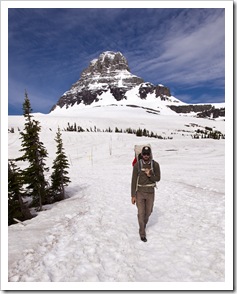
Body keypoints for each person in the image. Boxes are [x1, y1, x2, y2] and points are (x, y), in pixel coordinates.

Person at [131, 146, 161, 242]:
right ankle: (142, 232)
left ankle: (142, 224)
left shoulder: (155, 165)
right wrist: (133, 195)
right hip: (140, 192)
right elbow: (134, 180)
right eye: (144, 154)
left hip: (150, 193)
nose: (146, 156)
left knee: (148, 212)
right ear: (142, 154)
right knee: (141, 213)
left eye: (148, 154)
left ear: (150, 154)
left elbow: (158, 178)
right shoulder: (137, 165)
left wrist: (150, 175)